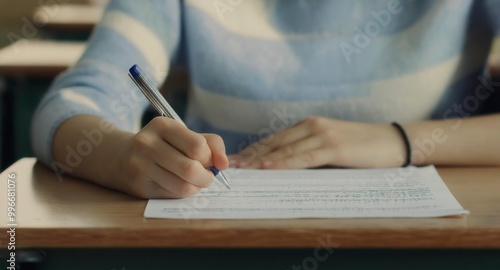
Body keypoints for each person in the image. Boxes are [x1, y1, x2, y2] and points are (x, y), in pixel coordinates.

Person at [31, 0, 500, 199]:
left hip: (425, 248)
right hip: (219, 248)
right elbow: (72, 103)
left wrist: (400, 140)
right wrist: (123, 158)